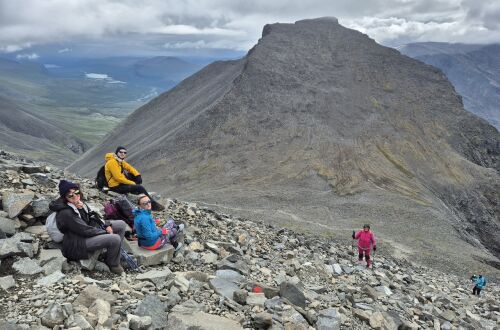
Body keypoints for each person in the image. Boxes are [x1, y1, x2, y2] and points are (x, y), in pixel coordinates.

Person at [49, 180, 127, 275]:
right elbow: (84, 230)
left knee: (121, 224)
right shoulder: (66, 213)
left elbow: (93, 217)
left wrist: (107, 225)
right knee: (114, 238)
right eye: (70, 195)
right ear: (65, 198)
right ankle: (113, 264)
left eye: (76, 192)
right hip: (76, 242)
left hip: (85, 234)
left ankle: (115, 254)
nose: (75, 196)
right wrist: (104, 232)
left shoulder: (79, 204)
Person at [104, 146, 165, 211]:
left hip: (120, 184)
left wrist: (137, 175)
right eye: (120, 152)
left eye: (125, 153)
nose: (123, 154)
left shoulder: (119, 161)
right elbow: (118, 178)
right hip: (115, 187)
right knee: (140, 187)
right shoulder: (112, 162)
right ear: (116, 153)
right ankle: (153, 205)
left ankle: (135, 191)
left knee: (133, 176)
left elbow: (129, 167)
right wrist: (133, 183)